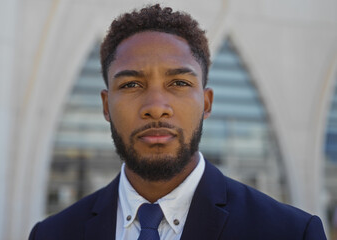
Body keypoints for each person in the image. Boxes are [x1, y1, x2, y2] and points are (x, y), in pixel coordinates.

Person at [29, 4, 326, 240]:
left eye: (179, 83)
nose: (156, 108)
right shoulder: (52, 234)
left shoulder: (289, 233)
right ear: (106, 106)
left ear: (206, 103)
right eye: (131, 85)